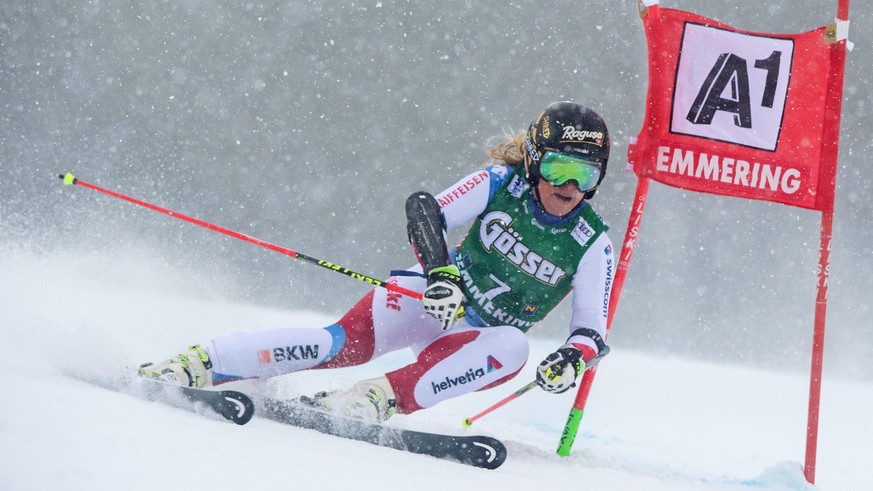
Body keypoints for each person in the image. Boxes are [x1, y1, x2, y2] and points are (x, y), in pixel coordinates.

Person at [139, 101, 615, 424]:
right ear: (533, 161)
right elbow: (426, 209)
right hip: (433, 300)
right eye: (558, 168)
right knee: (337, 345)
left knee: (513, 347)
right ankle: (200, 362)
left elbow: (591, 331)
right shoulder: (500, 182)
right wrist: (440, 274)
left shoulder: (592, 242)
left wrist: (572, 359)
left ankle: (371, 398)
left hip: (475, 339)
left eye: (586, 175)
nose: (570, 187)